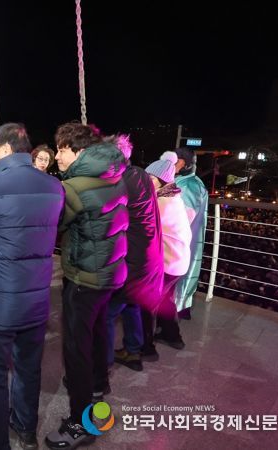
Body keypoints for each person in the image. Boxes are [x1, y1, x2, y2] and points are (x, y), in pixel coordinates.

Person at [0, 123, 64, 450]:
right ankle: (25, 428)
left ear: (5, 149)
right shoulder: (54, 187)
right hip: (36, 301)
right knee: (29, 368)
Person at [45, 122, 128, 450]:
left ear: (78, 151)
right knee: (98, 331)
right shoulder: (115, 175)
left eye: (61, 149)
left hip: (85, 277)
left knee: (76, 348)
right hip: (110, 273)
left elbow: (54, 224)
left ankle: (80, 423)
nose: (57, 156)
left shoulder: (74, 187)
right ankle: (97, 385)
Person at [105, 135, 164, 372]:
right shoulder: (140, 174)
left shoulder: (119, 183)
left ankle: (102, 365)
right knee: (131, 304)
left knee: (107, 313)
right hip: (150, 257)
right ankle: (133, 351)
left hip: (132, 259)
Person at [142, 151, 192, 355]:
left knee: (145, 302)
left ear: (162, 181)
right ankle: (172, 336)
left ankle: (145, 348)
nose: (146, 181)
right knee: (166, 298)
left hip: (169, 263)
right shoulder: (173, 197)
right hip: (179, 261)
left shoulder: (161, 202)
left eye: (150, 178)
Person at [173, 147, 209, 320]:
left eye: (174, 161)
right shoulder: (191, 182)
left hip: (181, 242)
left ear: (184, 163)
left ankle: (176, 311)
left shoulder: (188, 185)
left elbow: (183, 218)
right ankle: (181, 308)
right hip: (186, 242)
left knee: (180, 276)